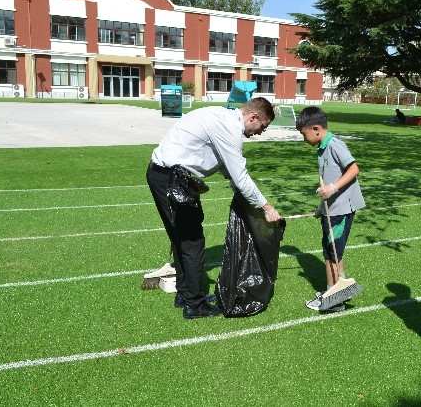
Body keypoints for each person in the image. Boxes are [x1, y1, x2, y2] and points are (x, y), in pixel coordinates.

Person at [146, 97, 282, 319]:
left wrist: (243, 194)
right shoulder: (228, 128)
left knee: (183, 239)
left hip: (170, 177)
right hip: (171, 179)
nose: (260, 132)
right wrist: (266, 207)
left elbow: (225, 165)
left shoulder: (222, 119)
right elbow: (240, 175)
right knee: (192, 243)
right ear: (253, 117)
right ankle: (195, 305)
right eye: (262, 127)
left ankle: (186, 294)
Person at [296, 106, 366, 312]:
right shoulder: (322, 148)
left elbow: (354, 168)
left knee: (331, 253)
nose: (303, 138)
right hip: (331, 209)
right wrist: (321, 207)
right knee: (333, 252)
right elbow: (326, 184)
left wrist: (333, 188)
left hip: (342, 210)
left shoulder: (335, 145)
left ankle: (334, 300)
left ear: (316, 129)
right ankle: (338, 291)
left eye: (304, 134)